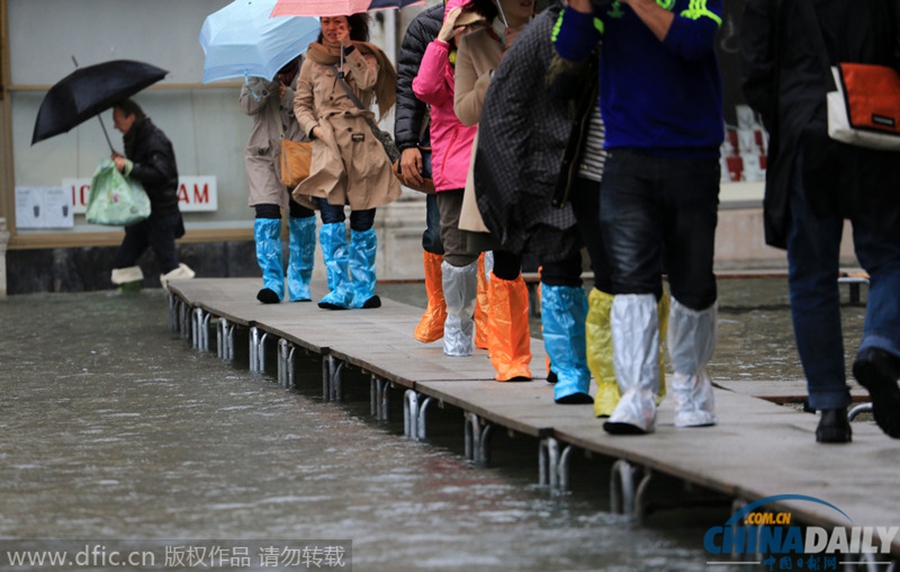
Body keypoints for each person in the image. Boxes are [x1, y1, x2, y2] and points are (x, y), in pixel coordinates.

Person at [554, 0, 724, 434]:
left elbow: (694, 41)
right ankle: (638, 394)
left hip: (693, 153)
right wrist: (580, 5)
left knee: (694, 278)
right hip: (625, 155)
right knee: (630, 276)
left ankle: (690, 383)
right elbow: (569, 50)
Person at [741, 0, 900, 442]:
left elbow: (755, 68)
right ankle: (881, 346)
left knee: (811, 276)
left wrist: (789, 115)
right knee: (891, 256)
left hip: (803, 128)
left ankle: (830, 408)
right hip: (876, 125)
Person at [293, 14, 401, 310]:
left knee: (363, 221)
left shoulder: (367, 55)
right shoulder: (312, 61)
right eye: (327, 22)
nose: (331, 28)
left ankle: (364, 289)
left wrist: (349, 50)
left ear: (351, 25)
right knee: (331, 219)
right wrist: (314, 130)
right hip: (328, 147)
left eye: (338, 22)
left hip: (362, 145)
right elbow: (301, 103)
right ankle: (339, 288)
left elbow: (369, 81)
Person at [454, 0, 535, 381]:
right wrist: (496, 74)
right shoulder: (472, 44)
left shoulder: (558, 30)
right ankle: (510, 357)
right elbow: (465, 111)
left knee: (558, 257)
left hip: (547, 157)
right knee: (507, 259)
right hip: (500, 162)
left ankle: (565, 364)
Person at [413, 0, 485, 357]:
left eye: (475, 26)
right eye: (462, 26)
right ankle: (458, 326)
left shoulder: (494, 60)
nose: (468, 34)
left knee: (505, 253)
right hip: (456, 172)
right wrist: (441, 38)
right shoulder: (443, 68)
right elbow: (423, 88)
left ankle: (502, 335)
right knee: (456, 251)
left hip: (493, 168)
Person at [240, 58, 317, 305]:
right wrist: (268, 83)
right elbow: (246, 105)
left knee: (302, 216)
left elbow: (320, 110)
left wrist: (288, 95)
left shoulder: (311, 69)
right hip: (263, 154)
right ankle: (272, 282)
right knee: (266, 214)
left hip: (300, 151)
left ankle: (299, 282)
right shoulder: (256, 70)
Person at [394, 2, 448, 343]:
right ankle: (440, 307)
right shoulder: (426, 25)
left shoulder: (507, 18)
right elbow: (410, 88)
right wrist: (407, 142)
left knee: (497, 237)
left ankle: (491, 318)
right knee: (439, 233)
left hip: (493, 136)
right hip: (441, 141)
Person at [110, 99, 194, 291]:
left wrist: (129, 167)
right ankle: (129, 309)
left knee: (169, 265)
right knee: (123, 261)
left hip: (160, 213)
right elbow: (144, 170)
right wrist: (124, 164)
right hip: (144, 213)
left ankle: (193, 306)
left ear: (131, 118)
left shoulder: (154, 139)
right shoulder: (138, 139)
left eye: (117, 120)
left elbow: (160, 173)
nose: (114, 126)